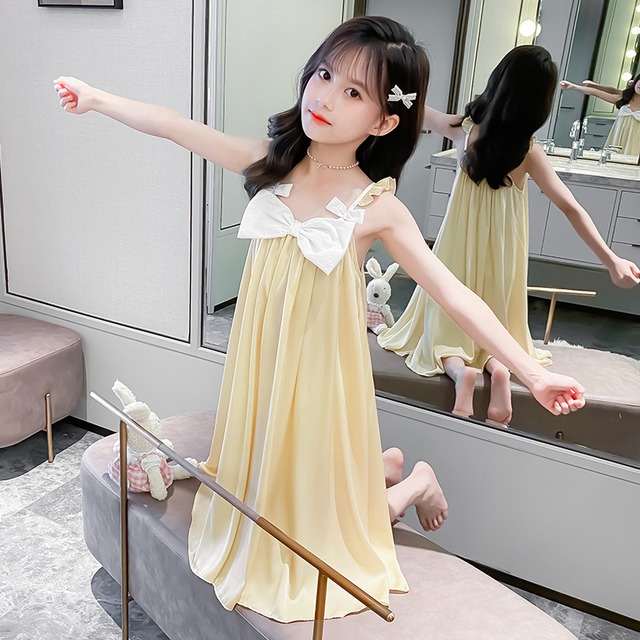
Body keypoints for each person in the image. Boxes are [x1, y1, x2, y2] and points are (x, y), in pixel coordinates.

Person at [54, 19, 586, 623]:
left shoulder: (377, 207)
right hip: (264, 364)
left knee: (312, 531)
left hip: (320, 375)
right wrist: (97, 99)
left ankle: (412, 482)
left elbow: (455, 295)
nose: (325, 97)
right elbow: (177, 126)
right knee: (277, 488)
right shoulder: (272, 163)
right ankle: (386, 469)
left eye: (353, 92)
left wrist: (532, 374)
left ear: (383, 122)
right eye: (325, 74)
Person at [379, 45, 639, 427]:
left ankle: (460, 372)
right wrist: (611, 260)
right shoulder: (528, 151)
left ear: (498, 80)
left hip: (457, 248)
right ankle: (499, 368)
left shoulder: (466, 129)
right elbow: (571, 208)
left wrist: (389, 87)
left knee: (444, 318)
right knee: (497, 323)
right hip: (502, 254)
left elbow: (417, 112)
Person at [560, 73, 640, 156]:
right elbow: (596, 92)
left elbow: (612, 91)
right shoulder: (624, 98)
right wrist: (574, 86)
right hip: (619, 138)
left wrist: (596, 86)